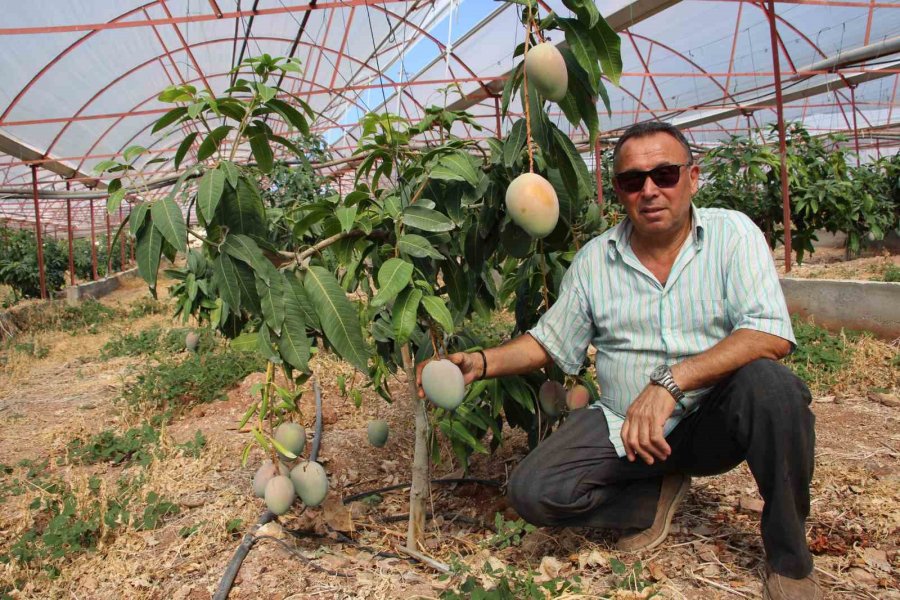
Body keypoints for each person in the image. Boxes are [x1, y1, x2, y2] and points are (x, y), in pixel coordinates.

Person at [416, 121, 820, 599]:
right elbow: (549, 341)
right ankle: (650, 500)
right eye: (633, 181)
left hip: (714, 420)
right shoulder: (595, 260)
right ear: (619, 193)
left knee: (773, 387)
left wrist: (671, 382)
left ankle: (790, 560)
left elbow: (768, 333)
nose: (649, 190)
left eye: (664, 175)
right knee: (533, 491)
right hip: (625, 427)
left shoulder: (732, 236)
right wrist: (481, 363)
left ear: (693, 177)